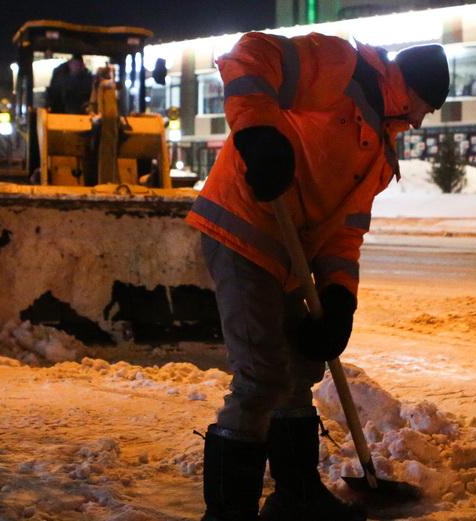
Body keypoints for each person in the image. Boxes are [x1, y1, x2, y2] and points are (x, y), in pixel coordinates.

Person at [185, 31, 448, 521]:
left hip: (290, 253)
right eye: (422, 106)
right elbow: (249, 55)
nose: (416, 119)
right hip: (241, 226)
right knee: (262, 374)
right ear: (405, 84)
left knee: (298, 371)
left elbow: (345, 233)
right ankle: (227, 513)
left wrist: (339, 298)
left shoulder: (380, 153)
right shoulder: (342, 67)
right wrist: (258, 132)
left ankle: (296, 497)